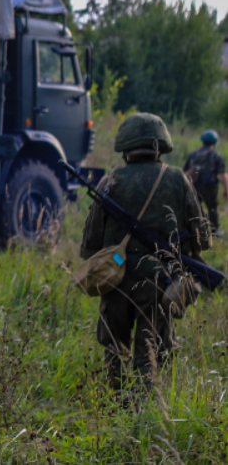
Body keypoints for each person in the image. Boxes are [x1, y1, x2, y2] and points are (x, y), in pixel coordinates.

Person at [81, 113, 211, 394]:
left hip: (115, 278)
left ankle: (115, 407)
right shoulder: (178, 179)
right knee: (151, 352)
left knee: (114, 350)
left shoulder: (111, 179)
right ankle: (144, 414)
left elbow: (90, 243)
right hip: (161, 282)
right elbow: (200, 239)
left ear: (125, 148)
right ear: (159, 145)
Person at [184, 130, 227, 235]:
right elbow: (222, 174)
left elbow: (185, 172)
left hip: (194, 186)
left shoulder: (193, 154)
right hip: (210, 187)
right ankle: (214, 231)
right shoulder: (216, 155)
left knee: (195, 208)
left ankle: (195, 231)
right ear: (215, 141)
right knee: (212, 209)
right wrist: (226, 188)